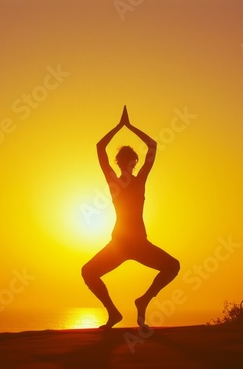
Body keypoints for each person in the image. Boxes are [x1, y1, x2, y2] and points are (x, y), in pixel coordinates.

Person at [81, 106, 180, 329]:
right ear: (122, 163)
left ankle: (142, 301)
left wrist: (127, 126)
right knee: (88, 272)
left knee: (173, 266)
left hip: (136, 243)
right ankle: (114, 313)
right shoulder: (117, 182)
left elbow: (152, 146)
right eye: (126, 162)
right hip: (120, 244)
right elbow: (100, 147)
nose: (129, 165)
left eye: (131, 162)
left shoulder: (137, 180)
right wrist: (121, 126)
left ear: (133, 163)